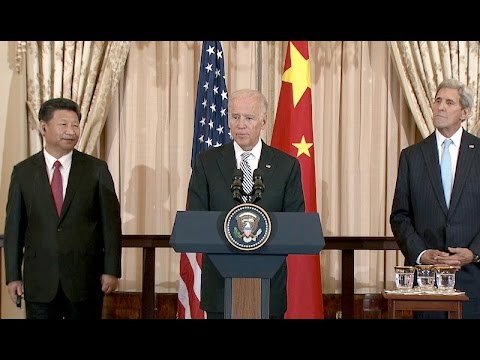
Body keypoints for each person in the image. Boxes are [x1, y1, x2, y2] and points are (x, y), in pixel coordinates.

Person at [186, 89, 305, 319]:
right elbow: (196, 218)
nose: (240, 125)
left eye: (249, 118)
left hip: (269, 290)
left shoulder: (286, 166)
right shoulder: (207, 163)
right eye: (235, 117)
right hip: (220, 289)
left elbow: (295, 223)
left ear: (263, 121)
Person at [4, 97, 122, 319]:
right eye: (64, 124)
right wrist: (12, 275)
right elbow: (13, 230)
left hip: (85, 280)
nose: (71, 131)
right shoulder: (23, 172)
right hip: (39, 281)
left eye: (76, 124)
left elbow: (111, 224)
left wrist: (111, 269)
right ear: (44, 127)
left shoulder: (96, 170)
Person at [390, 78, 480, 319]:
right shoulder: (412, 156)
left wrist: (474, 252)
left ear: (465, 112)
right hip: (427, 282)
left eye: (449, 102)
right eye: (438, 101)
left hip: (473, 279)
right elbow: (400, 216)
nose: (440, 107)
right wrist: (421, 253)